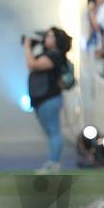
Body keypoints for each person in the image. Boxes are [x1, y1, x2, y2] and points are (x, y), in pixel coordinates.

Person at [25, 27, 72, 173]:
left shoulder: (55, 55)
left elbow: (32, 64)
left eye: (50, 36)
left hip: (49, 97)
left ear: (57, 41)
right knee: (51, 131)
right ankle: (52, 161)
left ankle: (54, 163)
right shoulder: (49, 54)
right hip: (43, 98)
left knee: (54, 131)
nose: (46, 38)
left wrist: (27, 47)